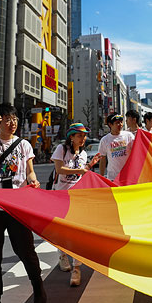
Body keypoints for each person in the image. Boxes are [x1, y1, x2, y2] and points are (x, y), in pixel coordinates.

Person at [0, 103, 46, 303]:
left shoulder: (24, 145)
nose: (11, 123)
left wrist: (33, 180)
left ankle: (38, 287)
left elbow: (29, 171)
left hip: (17, 206)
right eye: (7, 119)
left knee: (26, 251)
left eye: (14, 119)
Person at [51, 123, 101, 286]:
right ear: (71, 136)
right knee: (62, 231)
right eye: (79, 135)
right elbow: (60, 169)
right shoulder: (61, 149)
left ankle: (76, 268)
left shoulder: (84, 153)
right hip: (60, 197)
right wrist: (81, 171)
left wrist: (90, 165)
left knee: (78, 233)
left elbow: (82, 172)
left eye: (84, 135)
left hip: (77, 198)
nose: (83, 138)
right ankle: (62, 256)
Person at [98, 113, 135, 180]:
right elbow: (102, 159)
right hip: (113, 177)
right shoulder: (105, 140)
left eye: (121, 122)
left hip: (128, 176)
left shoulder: (129, 136)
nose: (120, 125)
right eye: (117, 123)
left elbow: (137, 151)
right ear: (110, 124)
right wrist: (101, 177)